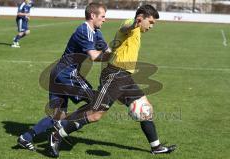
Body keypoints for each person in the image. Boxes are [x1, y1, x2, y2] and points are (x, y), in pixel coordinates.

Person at [49, 4, 176, 158]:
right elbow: (125, 28)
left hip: (125, 77)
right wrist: (133, 24)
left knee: (145, 110)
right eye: (150, 22)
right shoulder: (130, 24)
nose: (151, 26)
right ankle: (58, 133)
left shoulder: (138, 31)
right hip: (114, 75)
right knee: (95, 114)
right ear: (140, 18)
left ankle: (156, 147)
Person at [17, 2, 111, 151]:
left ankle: (26, 137)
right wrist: (113, 56)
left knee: (58, 116)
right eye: (103, 16)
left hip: (58, 74)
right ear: (93, 16)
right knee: (97, 101)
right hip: (67, 74)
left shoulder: (96, 32)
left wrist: (116, 51)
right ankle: (59, 130)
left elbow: (107, 50)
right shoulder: (84, 30)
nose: (105, 20)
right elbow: (94, 56)